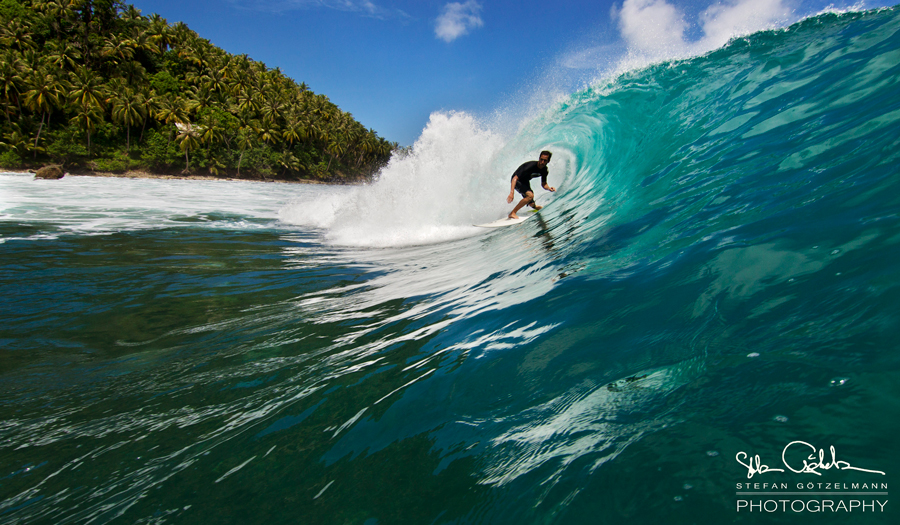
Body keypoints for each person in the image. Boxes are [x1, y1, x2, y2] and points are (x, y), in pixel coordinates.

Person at [507, 151, 556, 219]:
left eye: (544, 160)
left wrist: (549, 188)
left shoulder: (544, 170)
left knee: (531, 203)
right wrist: (512, 193)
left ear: (548, 161)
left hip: (525, 182)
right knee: (530, 195)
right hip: (516, 181)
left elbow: (544, 184)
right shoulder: (530, 166)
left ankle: (535, 207)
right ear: (539, 158)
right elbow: (515, 178)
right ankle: (512, 213)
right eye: (541, 159)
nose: (542, 162)